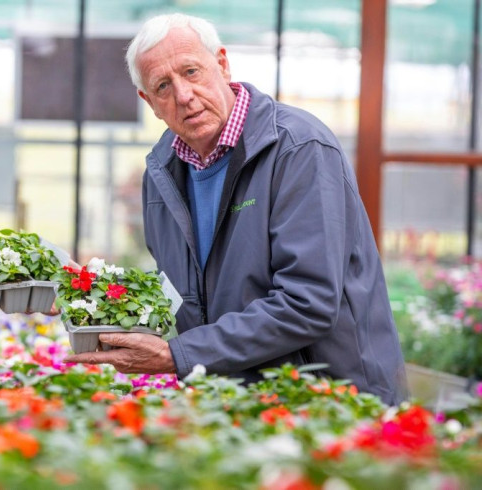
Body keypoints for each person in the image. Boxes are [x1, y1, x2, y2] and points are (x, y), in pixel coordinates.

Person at [63, 13, 407, 405]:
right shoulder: (161, 174)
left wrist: (179, 356)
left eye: (192, 71)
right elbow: (189, 297)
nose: (184, 95)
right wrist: (94, 296)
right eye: (163, 86)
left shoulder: (297, 149)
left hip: (327, 402)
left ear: (222, 64)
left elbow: (306, 303)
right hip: (232, 403)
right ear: (149, 103)